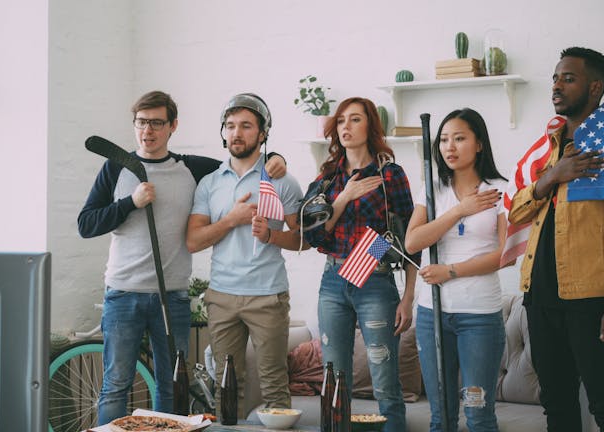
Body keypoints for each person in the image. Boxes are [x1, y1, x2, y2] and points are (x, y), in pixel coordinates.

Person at [77, 90, 286, 425]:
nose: (148, 131)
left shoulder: (192, 169)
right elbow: (86, 224)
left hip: (171, 297)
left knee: (172, 385)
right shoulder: (116, 168)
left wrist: (276, 156)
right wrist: (130, 202)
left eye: (157, 123)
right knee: (116, 385)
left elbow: (240, 160)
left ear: (172, 126)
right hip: (122, 294)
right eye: (142, 122)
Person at [507, 47, 604, 431]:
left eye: (568, 78)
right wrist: (553, 176)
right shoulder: (548, 149)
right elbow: (517, 211)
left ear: (594, 87)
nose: (556, 85)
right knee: (557, 405)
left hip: (592, 301)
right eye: (555, 77)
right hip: (539, 299)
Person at [302, 97, 417, 432]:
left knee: (385, 381)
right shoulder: (327, 179)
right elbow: (313, 237)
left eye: (355, 120)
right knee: (334, 381)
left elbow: (410, 239)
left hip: (377, 282)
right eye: (341, 121)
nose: (346, 127)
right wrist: (344, 197)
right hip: (333, 281)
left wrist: (408, 298)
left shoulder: (390, 175)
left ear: (370, 126)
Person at [186, 93, 305, 415]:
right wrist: (231, 220)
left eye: (246, 126)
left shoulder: (281, 181)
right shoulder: (209, 184)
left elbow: (304, 239)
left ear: (263, 134)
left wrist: (271, 235)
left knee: (274, 383)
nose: (236, 133)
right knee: (225, 385)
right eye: (230, 126)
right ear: (223, 132)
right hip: (221, 296)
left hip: (267, 296)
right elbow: (193, 241)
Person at [405, 108, 507, 432]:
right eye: (444, 140)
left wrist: (450, 271)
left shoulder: (501, 190)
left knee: (478, 416)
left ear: (479, 144)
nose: (450, 147)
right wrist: (460, 211)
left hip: (479, 316)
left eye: (460, 138)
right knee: (442, 418)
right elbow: (412, 242)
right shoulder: (433, 190)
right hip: (431, 315)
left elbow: (506, 255)